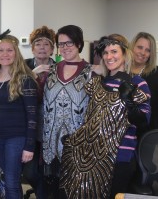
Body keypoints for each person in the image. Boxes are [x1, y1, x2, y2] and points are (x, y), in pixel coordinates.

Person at [59, 34, 151, 199]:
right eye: (106, 53)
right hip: (91, 155)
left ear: (124, 54)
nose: (109, 57)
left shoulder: (138, 83)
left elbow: (144, 121)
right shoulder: (98, 83)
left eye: (114, 51)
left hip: (121, 156)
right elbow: (92, 119)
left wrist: (130, 104)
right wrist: (76, 140)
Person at [42, 25, 93, 198]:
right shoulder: (51, 70)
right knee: (52, 191)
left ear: (79, 43)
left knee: (72, 192)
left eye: (69, 43)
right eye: (61, 44)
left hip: (77, 144)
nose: (64, 48)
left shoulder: (91, 72)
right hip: (51, 142)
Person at [0, 29, 38, 199]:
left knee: (11, 181)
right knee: (10, 181)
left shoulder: (25, 79)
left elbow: (32, 116)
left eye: (10, 50)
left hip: (16, 139)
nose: (5, 54)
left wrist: (29, 146)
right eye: (0, 50)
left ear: (16, 53)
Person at [23, 25, 56, 198]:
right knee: (30, 172)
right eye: (38, 44)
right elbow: (14, 92)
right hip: (29, 128)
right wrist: (32, 74)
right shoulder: (23, 67)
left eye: (46, 44)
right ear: (32, 48)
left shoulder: (60, 68)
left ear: (52, 49)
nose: (42, 47)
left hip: (51, 129)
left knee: (50, 172)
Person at [130, 32, 158, 131]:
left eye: (148, 50)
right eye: (140, 47)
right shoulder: (120, 70)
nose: (142, 52)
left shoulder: (155, 74)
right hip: (120, 134)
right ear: (132, 47)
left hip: (146, 134)